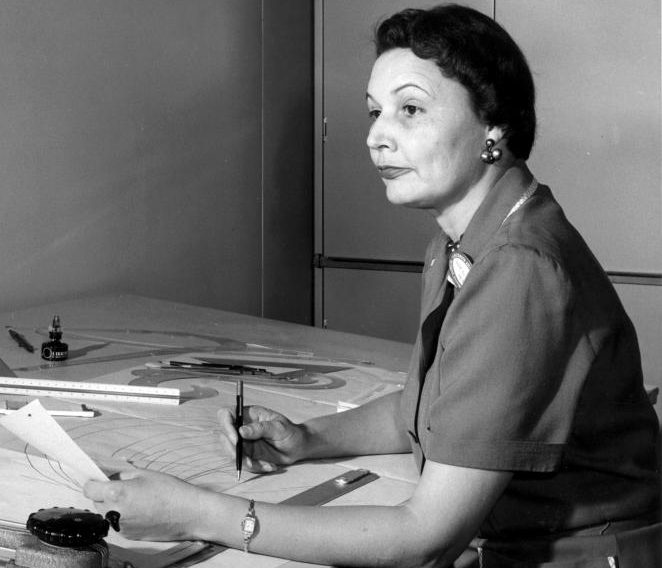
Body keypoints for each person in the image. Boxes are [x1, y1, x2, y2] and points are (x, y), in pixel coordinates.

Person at [84, 5, 661, 566]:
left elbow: (424, 538)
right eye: (373, 112)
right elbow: (430, 407)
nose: (376, 137)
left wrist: (199, 515)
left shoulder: (521, 269)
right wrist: (307, 438)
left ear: (495, 124)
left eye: (410, 110)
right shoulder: (464, 241)